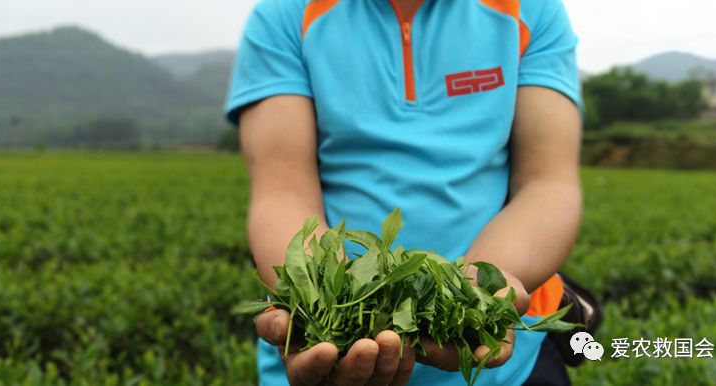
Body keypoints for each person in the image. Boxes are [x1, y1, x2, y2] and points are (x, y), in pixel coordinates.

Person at [225, 0, 588, 384]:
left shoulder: (531, 11)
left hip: (509, 362)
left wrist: (482, 286)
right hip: (324, 360)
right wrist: (317, 299)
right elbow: (282, 190)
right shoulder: (287, 15)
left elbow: (547, 183)